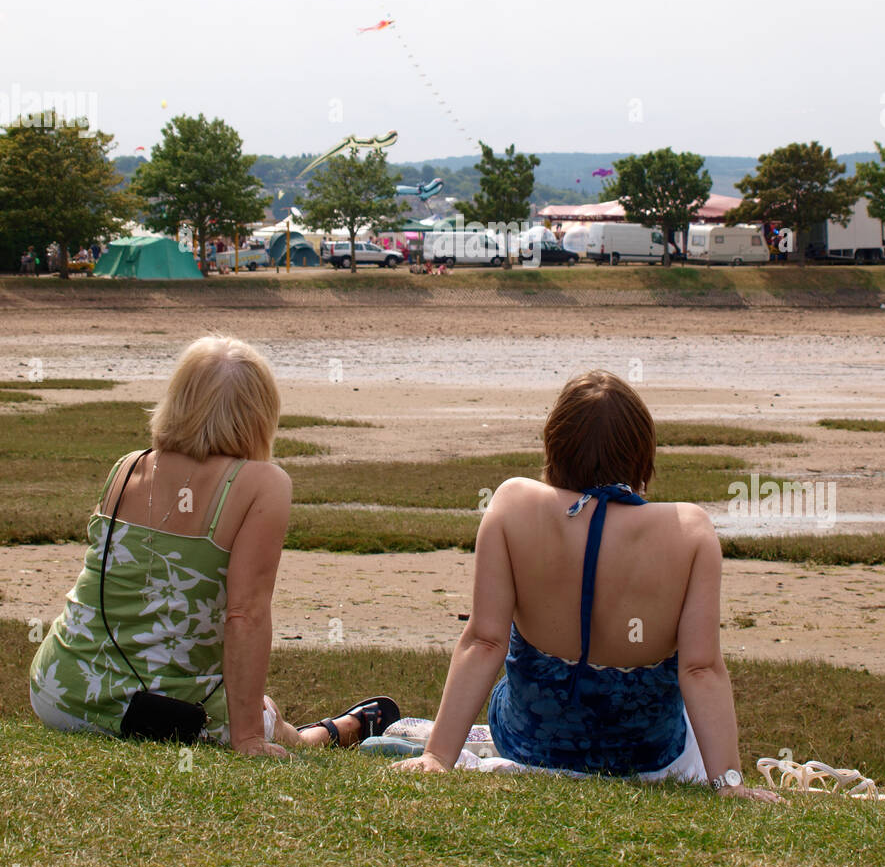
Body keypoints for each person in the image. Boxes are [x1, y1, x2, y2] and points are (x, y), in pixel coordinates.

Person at [392, 370, 780, 801]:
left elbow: (485, 642)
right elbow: (700, 669)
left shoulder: (512, 504)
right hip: (649, 759)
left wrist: (439, 757)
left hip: (531, 746)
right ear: (642, 454)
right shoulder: (689, 530)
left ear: (554, 445)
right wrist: (730, 782)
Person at [30, 336, 398, 757]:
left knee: (251, 706)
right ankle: (332, 733)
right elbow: (246, 614)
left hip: (60, 690)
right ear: (260, 414)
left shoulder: (127, 466)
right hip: (160, 709)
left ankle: (324, 728)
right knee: (266, 715)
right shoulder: (263, 483)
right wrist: (248, 738)